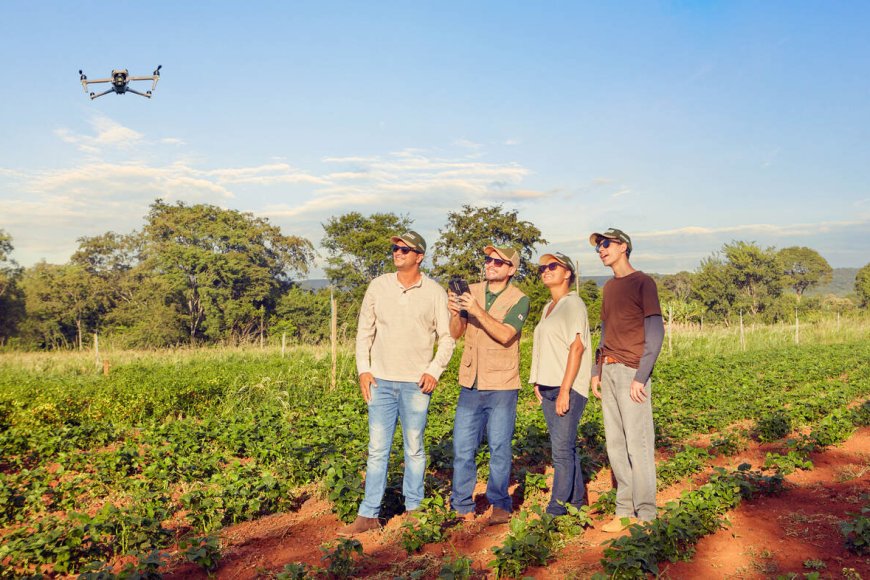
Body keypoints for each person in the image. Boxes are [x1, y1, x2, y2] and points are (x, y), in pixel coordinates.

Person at [339, 231, 455, 536]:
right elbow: (364, 332)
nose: (397, 252)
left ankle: (414, 509)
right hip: (381, 381)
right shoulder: (378, 287)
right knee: (377, 448)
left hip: (416, 384)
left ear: (419, 256)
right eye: (395, 247)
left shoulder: (434, 292)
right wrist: (363, 370)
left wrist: (434, 371)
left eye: (405, 249)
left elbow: (447, 338)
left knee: (414, 447)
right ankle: (368, 514)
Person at [588, 228, 664, 532]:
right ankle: (623, 511)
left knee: (639, 444)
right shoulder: (609, 288)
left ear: (623, 247)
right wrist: (597, 369)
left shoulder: (643, 283)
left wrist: (641, 377)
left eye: (605, 244)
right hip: (610, 370)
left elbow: (656, 334)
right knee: (616, 445)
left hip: (633, 373)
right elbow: (605, 331)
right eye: (598, 247)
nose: (601, 250)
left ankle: (646, 514)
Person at [448, 246, 530, 525]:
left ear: (511, 269)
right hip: (470, 381)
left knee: (499, 447)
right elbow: (455, 333)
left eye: (498, 261)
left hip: (502, 383)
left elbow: (506, 335)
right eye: (488, 259)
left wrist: (476, 310)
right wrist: (457, 312)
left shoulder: (520, 299)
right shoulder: (470, 291)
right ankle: (461, 504)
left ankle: (499, 503)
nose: (491, 264)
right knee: (462, 447)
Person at [528, 252, 592, 516]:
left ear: (567, 273)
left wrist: (565, 389)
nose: (546, 270)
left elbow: (576, 349)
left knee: (561, 451)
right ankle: (577, 501)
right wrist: (536, 380)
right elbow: (544, 347)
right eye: (542, 267)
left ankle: (556, 509)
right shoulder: (548, 307)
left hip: (568, 388)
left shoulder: (574, 304)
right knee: (566, 446)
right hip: (548, 387)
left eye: (553, 266)